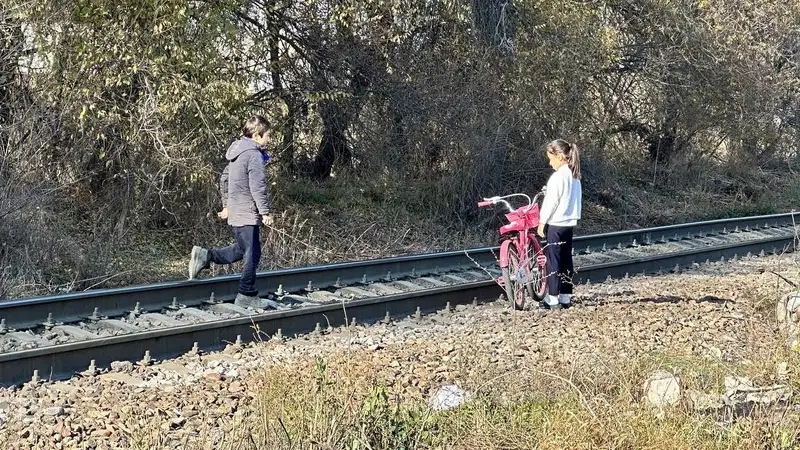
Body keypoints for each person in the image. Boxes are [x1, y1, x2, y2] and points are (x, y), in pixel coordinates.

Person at [188, 115, 274, 309]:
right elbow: (258, 187)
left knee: (245, 249)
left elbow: (224, 179)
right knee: (252, 254)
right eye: (267, 135)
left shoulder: (237, 152)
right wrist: (266, 212)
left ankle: (206, 256)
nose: (269, 139)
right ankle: (246, 294)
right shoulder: (253, 155)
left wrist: (227, 205)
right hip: (247, 212)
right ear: (256, 135)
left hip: (237, 211)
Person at [537, 139, 582, 310]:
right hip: (569, 224)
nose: (550, 163)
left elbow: (551, 202)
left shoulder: (557, 177)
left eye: (551, 158)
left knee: (553, 260)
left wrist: (542, 222)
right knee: (565, 259)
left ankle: (552, 298)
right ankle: (565, 296)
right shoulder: (574, 175)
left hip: (556, 224)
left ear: (560, 156)